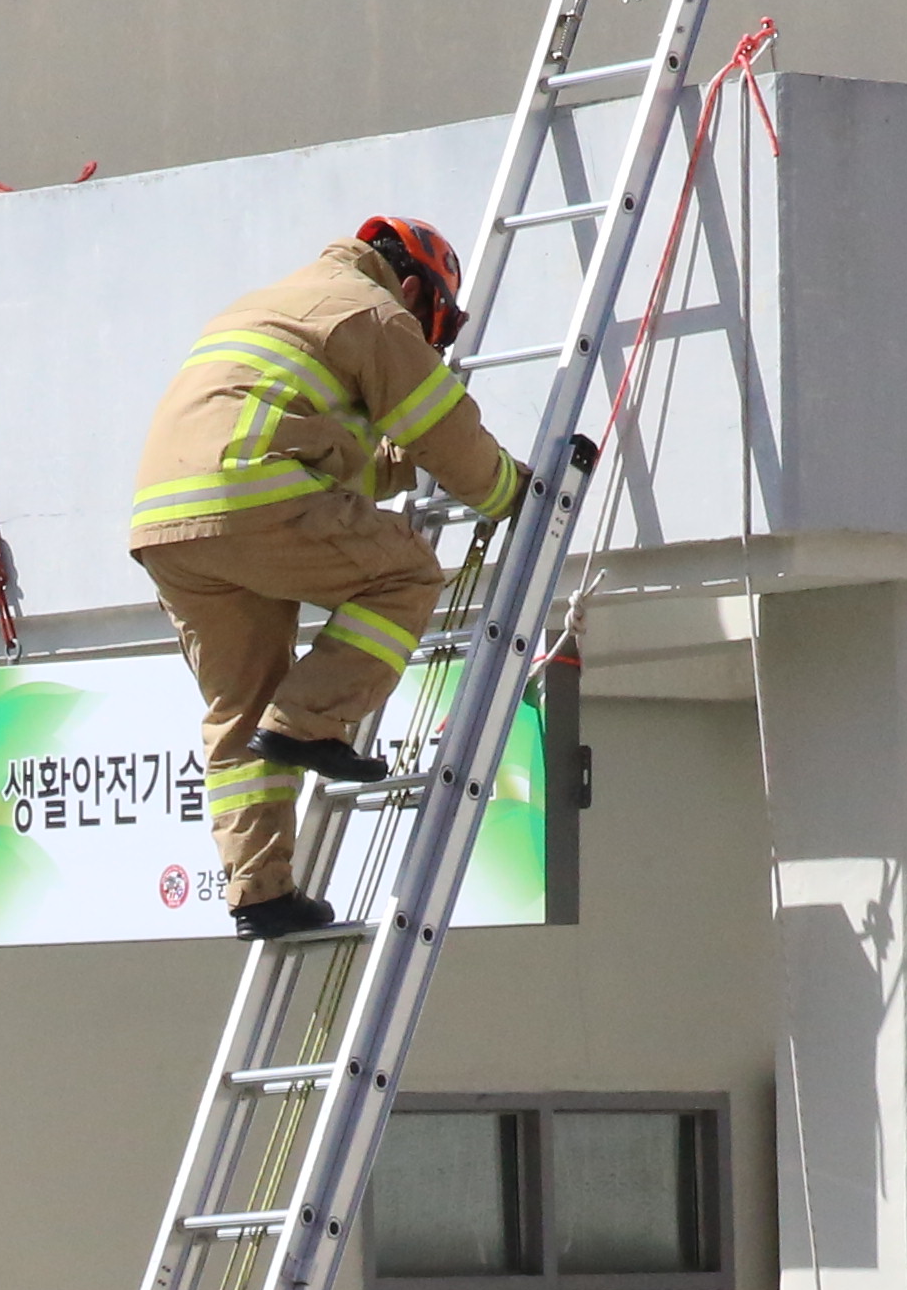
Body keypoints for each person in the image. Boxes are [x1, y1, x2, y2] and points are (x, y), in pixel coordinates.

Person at [125, 219, 573, 940]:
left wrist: (400, 466)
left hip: (168, 524)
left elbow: (316, 450)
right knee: (406, 573)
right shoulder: (374, 312)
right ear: (412, 288)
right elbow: (443, 427)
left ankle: (260, 893)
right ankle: (310, 721)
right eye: (435, 327)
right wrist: (512, 493)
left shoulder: (275, 306)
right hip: (250, 495)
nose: (430, 343)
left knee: (240, 710)